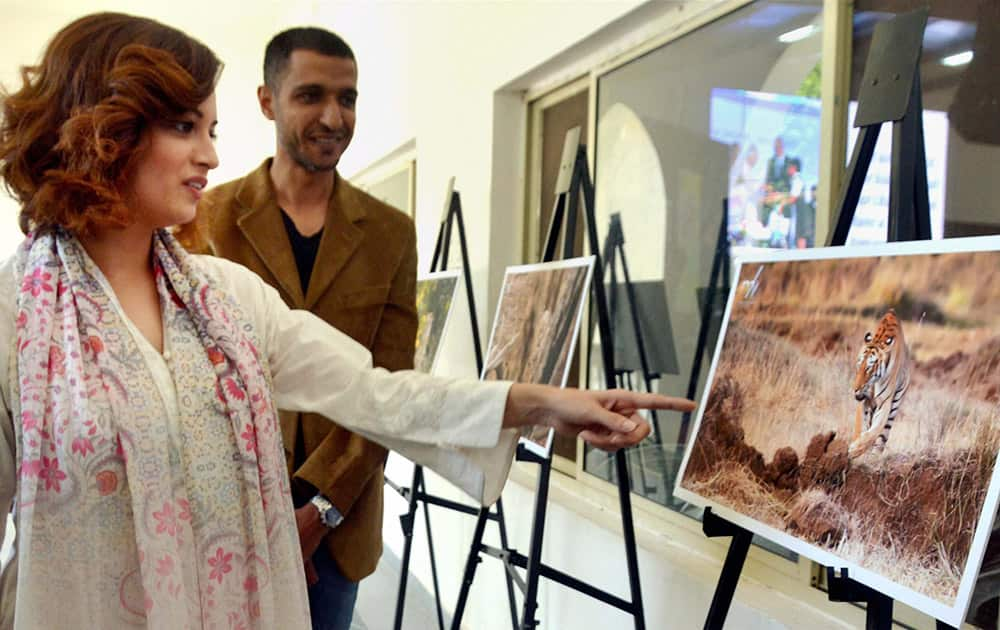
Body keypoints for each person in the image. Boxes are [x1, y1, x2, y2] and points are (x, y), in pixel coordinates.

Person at [0, 12, 692, 629]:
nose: (209, 154)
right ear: (106, 129)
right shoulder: (16, 318)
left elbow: (377, 391)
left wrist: (543, 402)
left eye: (211, 129)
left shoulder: (226, 299)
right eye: (185, 127)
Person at [192, 28, 411, 628]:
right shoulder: (204, 218)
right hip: (221, 517)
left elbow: (390, 385)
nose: (333, 116)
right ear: (268, 101)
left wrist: (321, 508)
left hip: (338, 526)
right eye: (311, 95)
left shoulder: (391, 233)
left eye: (348, 98)